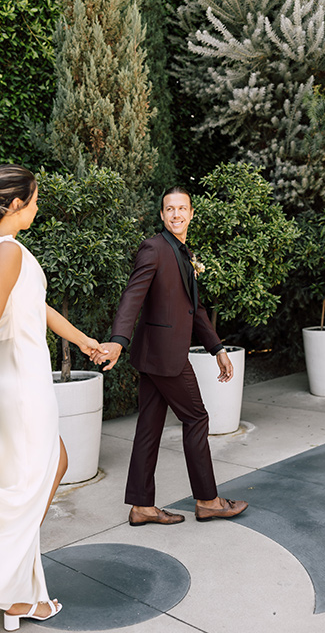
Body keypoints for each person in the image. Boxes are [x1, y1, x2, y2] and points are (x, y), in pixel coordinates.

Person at [0, 164, 107, 631]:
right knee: (35, 480)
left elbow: (37, 307)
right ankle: (13, 590)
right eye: (33, 200)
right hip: (21, 385)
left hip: (20, 381)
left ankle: (20, 594)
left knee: (43, 470)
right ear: (14, 205)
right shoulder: (6, 252)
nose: (37, 206)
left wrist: (85, 341)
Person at [98, 186, 248, 526]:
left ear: (191, 213)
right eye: (170, 209)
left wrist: (217, 348)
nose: (177, 214)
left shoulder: (182, 252)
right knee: (196, 418)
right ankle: (208, 500)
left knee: (149, 427)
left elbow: (193, 311)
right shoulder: (154, 248)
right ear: (162, 215)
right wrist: (118, 340)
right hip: (166, 358)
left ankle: (141, 506)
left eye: (182, 209)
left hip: (155, 357)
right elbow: (132, 297)